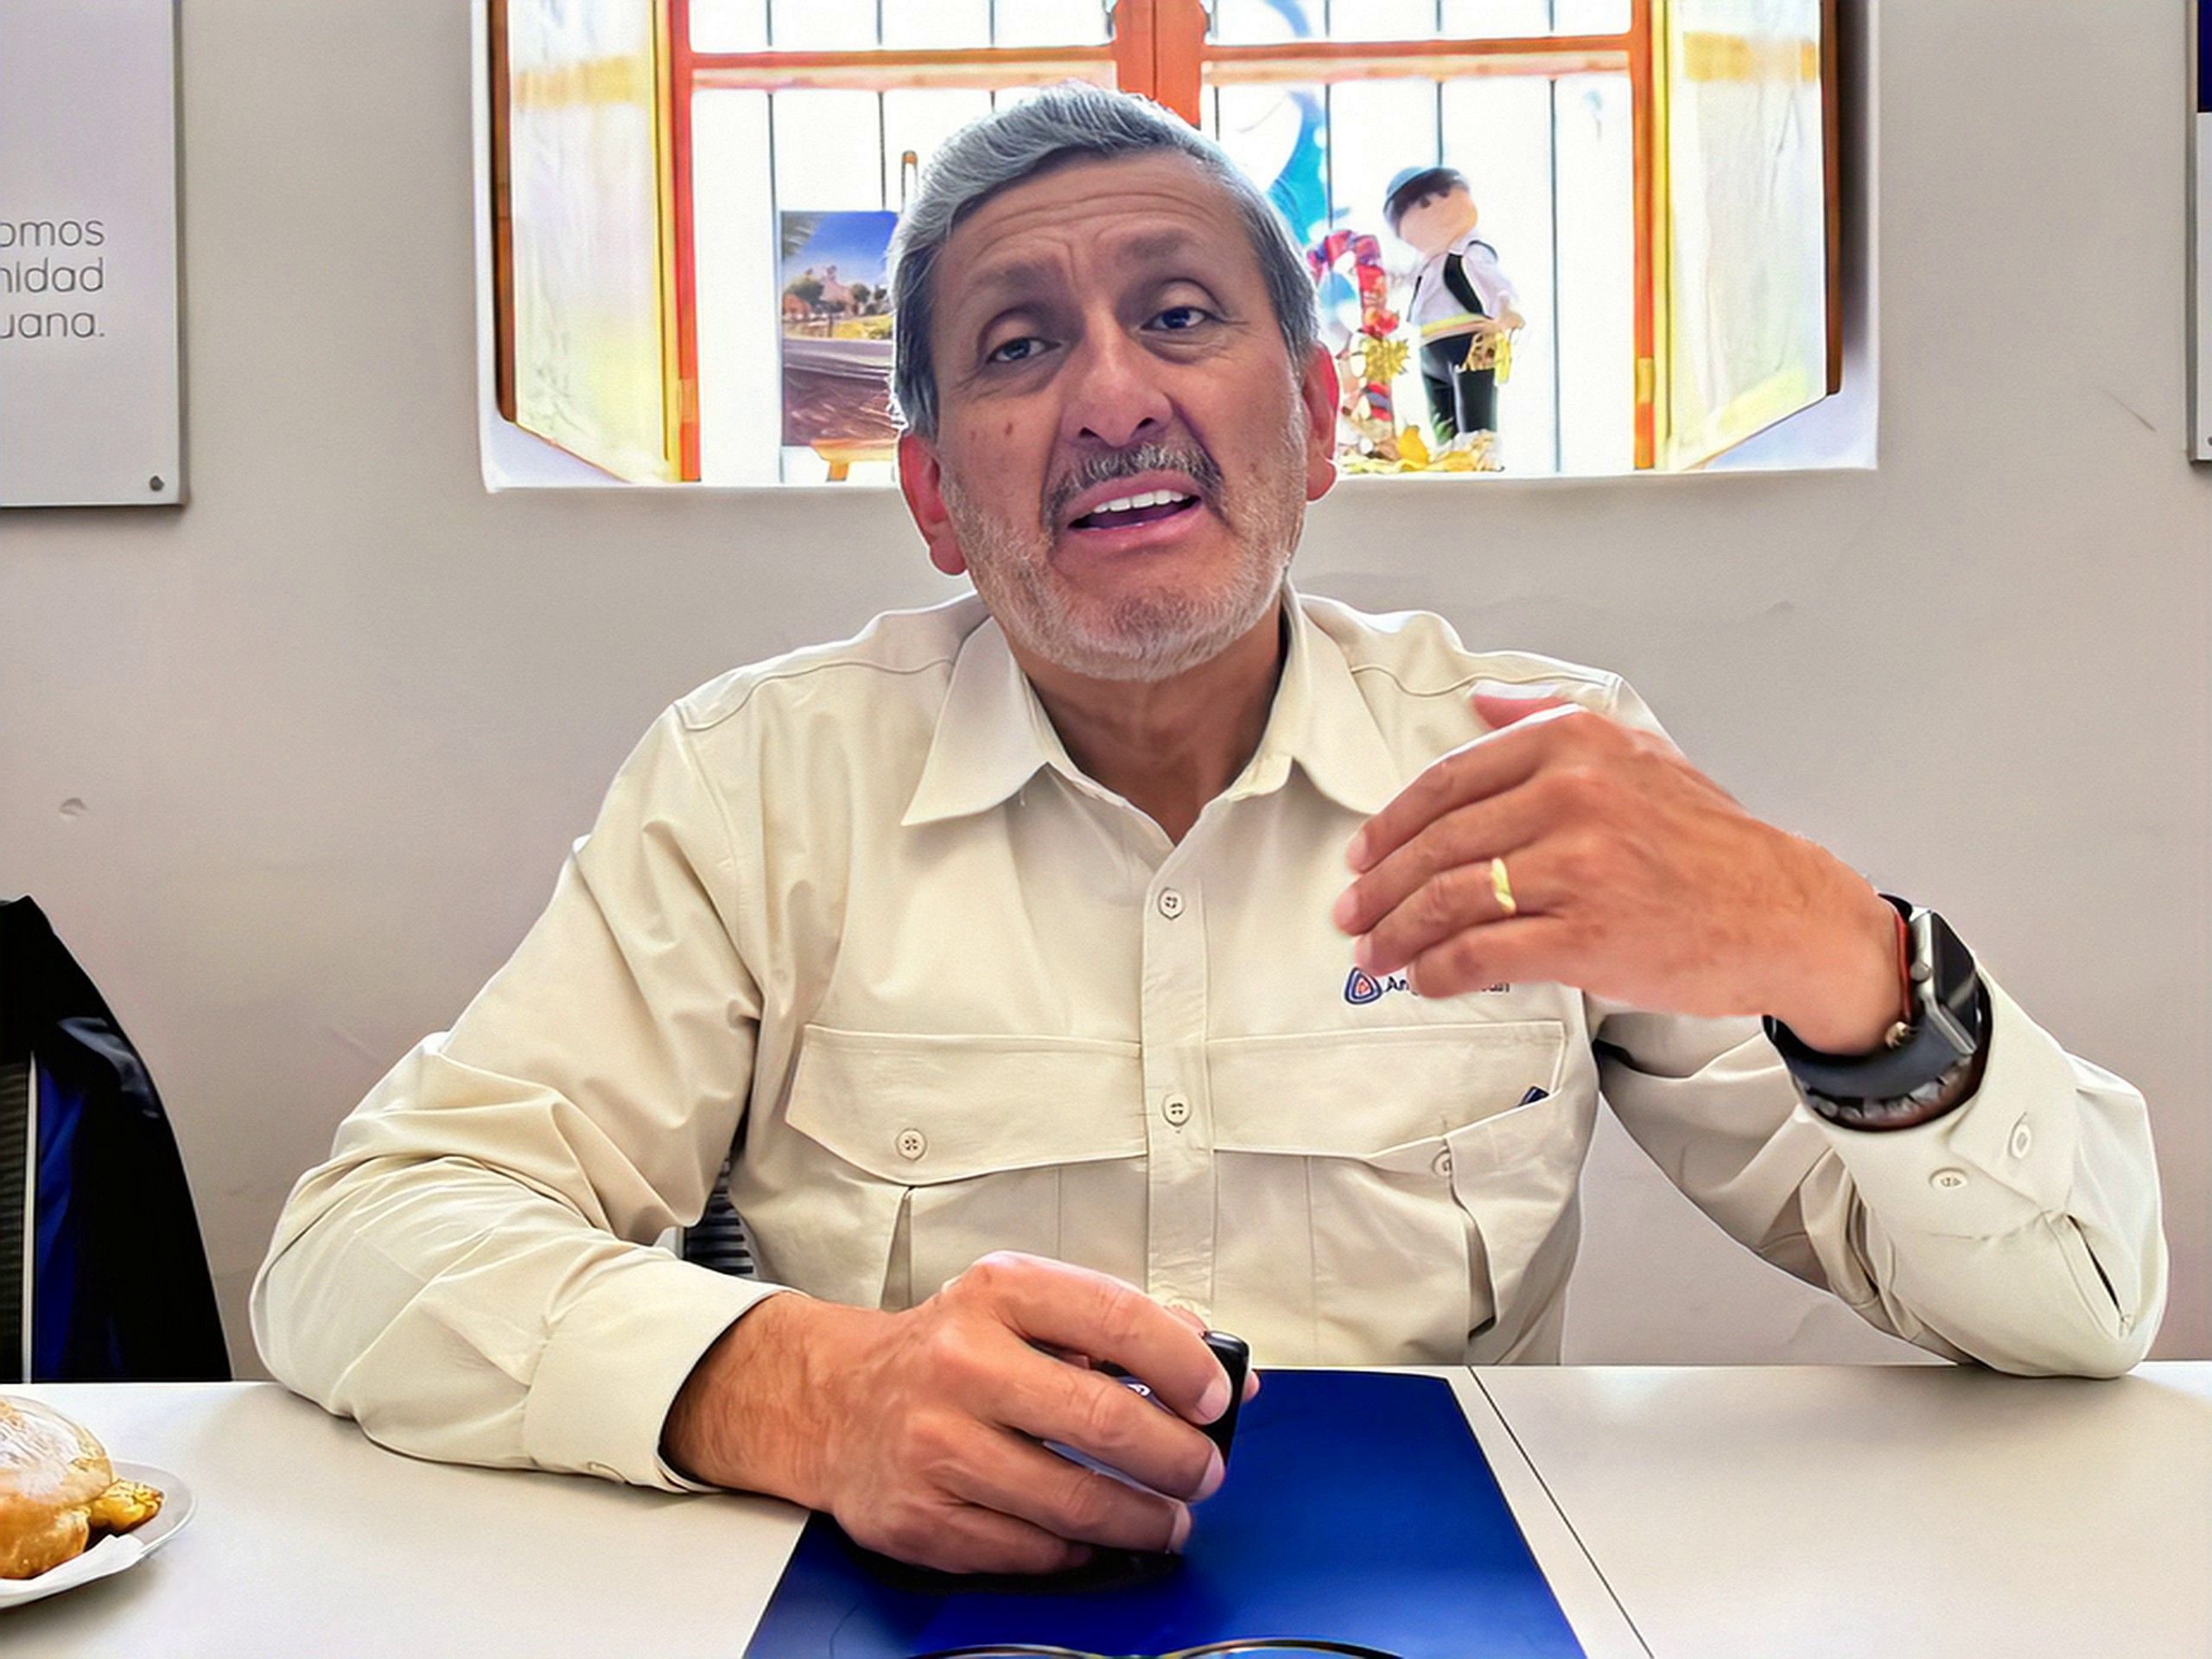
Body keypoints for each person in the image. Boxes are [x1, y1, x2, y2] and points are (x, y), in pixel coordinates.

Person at [253, 85, 2167, 1579]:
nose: (1111, 395)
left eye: (1179, 316)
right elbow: (360, 1246)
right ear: (933, 496)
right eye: (1016, 349)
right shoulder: (757, 783)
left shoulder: (1535, 768)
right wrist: (804, 1393)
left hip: (1445, 1602)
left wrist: (1846, 957)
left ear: (1319, 423)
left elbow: (2081, 1314)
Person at [1382, 163, 1523, 446]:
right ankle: (1449, 456)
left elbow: (1495, 282)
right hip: (1430, 346)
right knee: (1443, 421)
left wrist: (1506, 309)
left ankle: (1479, 456)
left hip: (1470, 342)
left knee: (1475, 420)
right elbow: (1402, 280)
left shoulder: (1470, 251)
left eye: (1444, 195)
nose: (1435, 209)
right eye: (1422, 204)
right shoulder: (1424, 264)